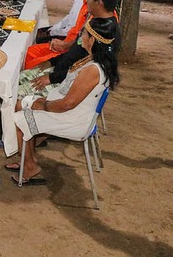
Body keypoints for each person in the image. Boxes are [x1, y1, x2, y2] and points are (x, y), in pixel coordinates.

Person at [8, 17, 120, 185]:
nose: (80, 36)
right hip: (63, 107)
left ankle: (29, 165)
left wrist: (44, 105)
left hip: (70, 117)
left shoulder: (93, 70)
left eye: (84, 33)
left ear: (93, 40)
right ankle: (28, 159)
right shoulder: (93, 59)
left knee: (18, 119)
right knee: (19, 104)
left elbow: (68, 104)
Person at [25, 0, 121, 95]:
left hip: (65, 83)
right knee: (19, 77)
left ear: (99, 3)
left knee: (16, 90)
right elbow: (75, 52)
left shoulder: (104, 31)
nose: (86, 1)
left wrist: (51, 78)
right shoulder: (95, 21)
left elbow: (82, 70)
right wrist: (52, 62)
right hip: (59, 71)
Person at [23, 0, 107, 70]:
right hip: (67, 46)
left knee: (32, 64)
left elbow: (82, 47)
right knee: (28, 53)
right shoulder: (85, 3)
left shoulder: (99, 13)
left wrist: (65, 47)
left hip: (72, 54)